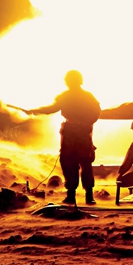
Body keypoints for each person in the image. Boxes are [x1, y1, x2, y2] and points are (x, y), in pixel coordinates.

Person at [25, 70, 101, 205]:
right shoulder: (88, 96)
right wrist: (86, 123)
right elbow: (96, 112)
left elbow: (52, 108)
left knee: (70, 162)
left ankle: (73, 196)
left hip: (72, 133)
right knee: (83, 163)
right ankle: (87, 196)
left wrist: (35, 111)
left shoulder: (66, 96)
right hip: (81, 133)